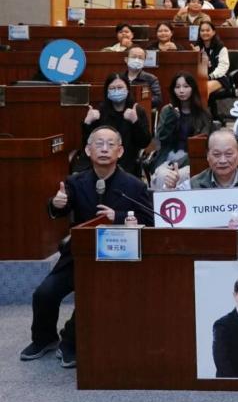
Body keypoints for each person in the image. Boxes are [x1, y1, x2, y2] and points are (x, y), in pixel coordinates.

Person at [20, 126, 152, 368]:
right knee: (44, 294)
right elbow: (58, 208)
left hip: (117, 257)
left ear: (121, 151)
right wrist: (56, 203)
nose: (104, 149)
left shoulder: (134, 186)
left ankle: (70, 341)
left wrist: (118, 217)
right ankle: (44, 339)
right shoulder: (75, 181)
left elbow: (150, 220)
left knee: (91, 297)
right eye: (98, 144)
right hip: (78, 255)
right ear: (88, 151)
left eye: (110, 144)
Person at [166, 129, 238, 220]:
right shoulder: (193, 184)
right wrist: (170, 188)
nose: (223, 160)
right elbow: (172, 215)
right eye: (216, 154)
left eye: (229, 154)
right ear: (207, 156)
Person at [80, 73, 152, 177]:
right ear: (107, 91)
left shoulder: (136, 111)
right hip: (101, 161)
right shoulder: (100, 111)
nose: (116, 91)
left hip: (127, 163)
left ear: (127, 90)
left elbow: (144, 142)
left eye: (120, 88)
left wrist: (135, 121)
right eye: (112, 88)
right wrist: (87, 123)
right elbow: (88, 143)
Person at [152, 72, 213, 189]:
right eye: (177, 87)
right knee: (163, 176)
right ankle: (163, 201)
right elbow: (161, 138)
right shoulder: (167, 111)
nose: (181, 91)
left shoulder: (203, 113)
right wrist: (172, 117)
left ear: (193, 89)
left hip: (190, 160)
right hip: (167, 158)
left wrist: (182, 162)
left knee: (183, 175)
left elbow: (202, 142)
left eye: (186, 86)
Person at [193, 20, 233, 98]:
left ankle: (203, 106)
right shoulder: (197, 47)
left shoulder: (221, 48)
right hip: (201, 78)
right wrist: (195, 55)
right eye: (202, 31)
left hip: (219, 78)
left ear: (213, 32)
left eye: (207, 30)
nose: (205, 33)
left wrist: (210, 76)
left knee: (204, 88)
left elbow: (223, 68)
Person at [123, 45, 163, 109]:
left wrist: (139, 101)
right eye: (134, 57)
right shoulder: (120, 78)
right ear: (126, 59)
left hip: (142, 110)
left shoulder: (151, 78)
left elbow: (158, 99)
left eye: (140, 58)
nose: (137, 60)